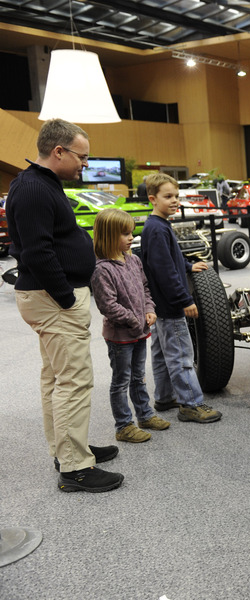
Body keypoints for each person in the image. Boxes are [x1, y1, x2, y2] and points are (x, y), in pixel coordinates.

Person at [7, 118, 123, 493]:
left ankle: (69, 449)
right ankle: (75, 468)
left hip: (48, 298)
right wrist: (67, 297)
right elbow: (36, 252)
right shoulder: (34, 189)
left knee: (57, 378)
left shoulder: (38, 185)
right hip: (53, 300)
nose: (85, 164)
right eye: (82, 157)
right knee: (74, 379)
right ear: (58, 151)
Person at [141, 173, 222, 424]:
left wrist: (187, 266)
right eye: (168, 197)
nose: (175, 201)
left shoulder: (158, 225)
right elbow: (164, 271)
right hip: (171, 306)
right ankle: (191, 404)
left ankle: (165, 397)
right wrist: (184, 300)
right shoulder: (157, 229)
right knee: (181, 355)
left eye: (176, 196)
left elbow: (168, 259)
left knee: (162, 353)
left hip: (161, 305)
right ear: (153, 199)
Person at [91, 208, 171, 443]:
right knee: (121, 380)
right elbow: (108, 306)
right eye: (125, 234)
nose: (131, 238)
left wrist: (149, 309)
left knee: (139, 377)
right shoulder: (101, 269)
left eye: (131, 233)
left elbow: (145, 288)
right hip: (120, 337)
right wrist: (134, 320)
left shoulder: (133, 260)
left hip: (139, 332)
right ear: (108, 235)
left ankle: (145, 415)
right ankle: (124, 425)